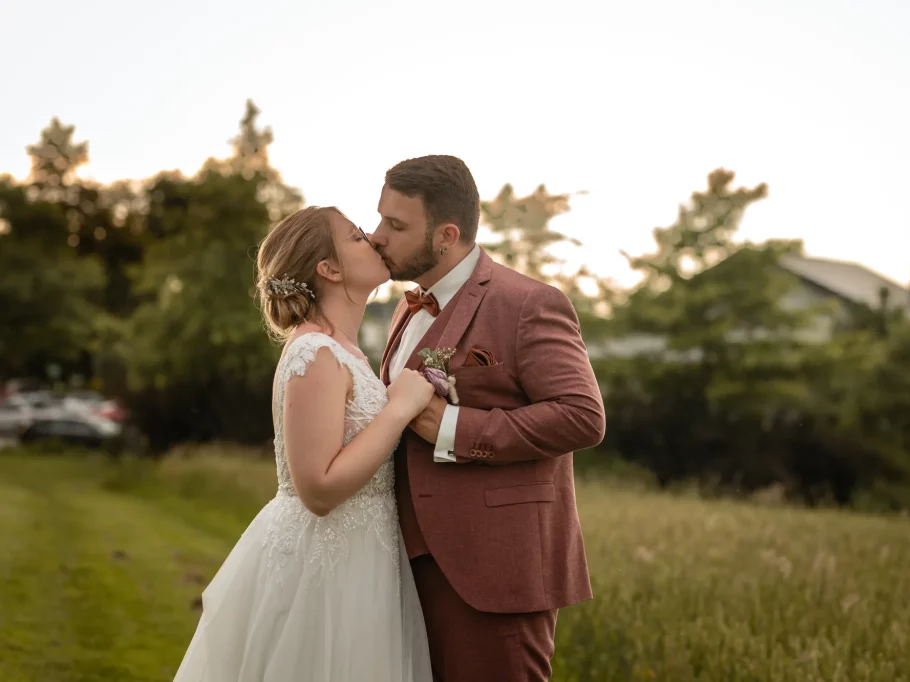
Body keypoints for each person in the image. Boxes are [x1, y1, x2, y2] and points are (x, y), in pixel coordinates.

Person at [173, 205, 434, 681]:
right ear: (329, 269)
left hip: (365, 558)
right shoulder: (314, 351)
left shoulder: (346, 350)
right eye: (357, 237)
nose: (374, 240)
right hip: (324, 568)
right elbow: (316, 488)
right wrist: (399, 408)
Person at [372, 155, 606, 682]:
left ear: (445, 235)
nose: (377, 235)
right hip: (405, 564)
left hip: (494, 569)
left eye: (396, 225)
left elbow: (583, 416)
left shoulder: (529, 303)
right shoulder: (406, 308)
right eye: (380, 217)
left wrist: (453, 428)